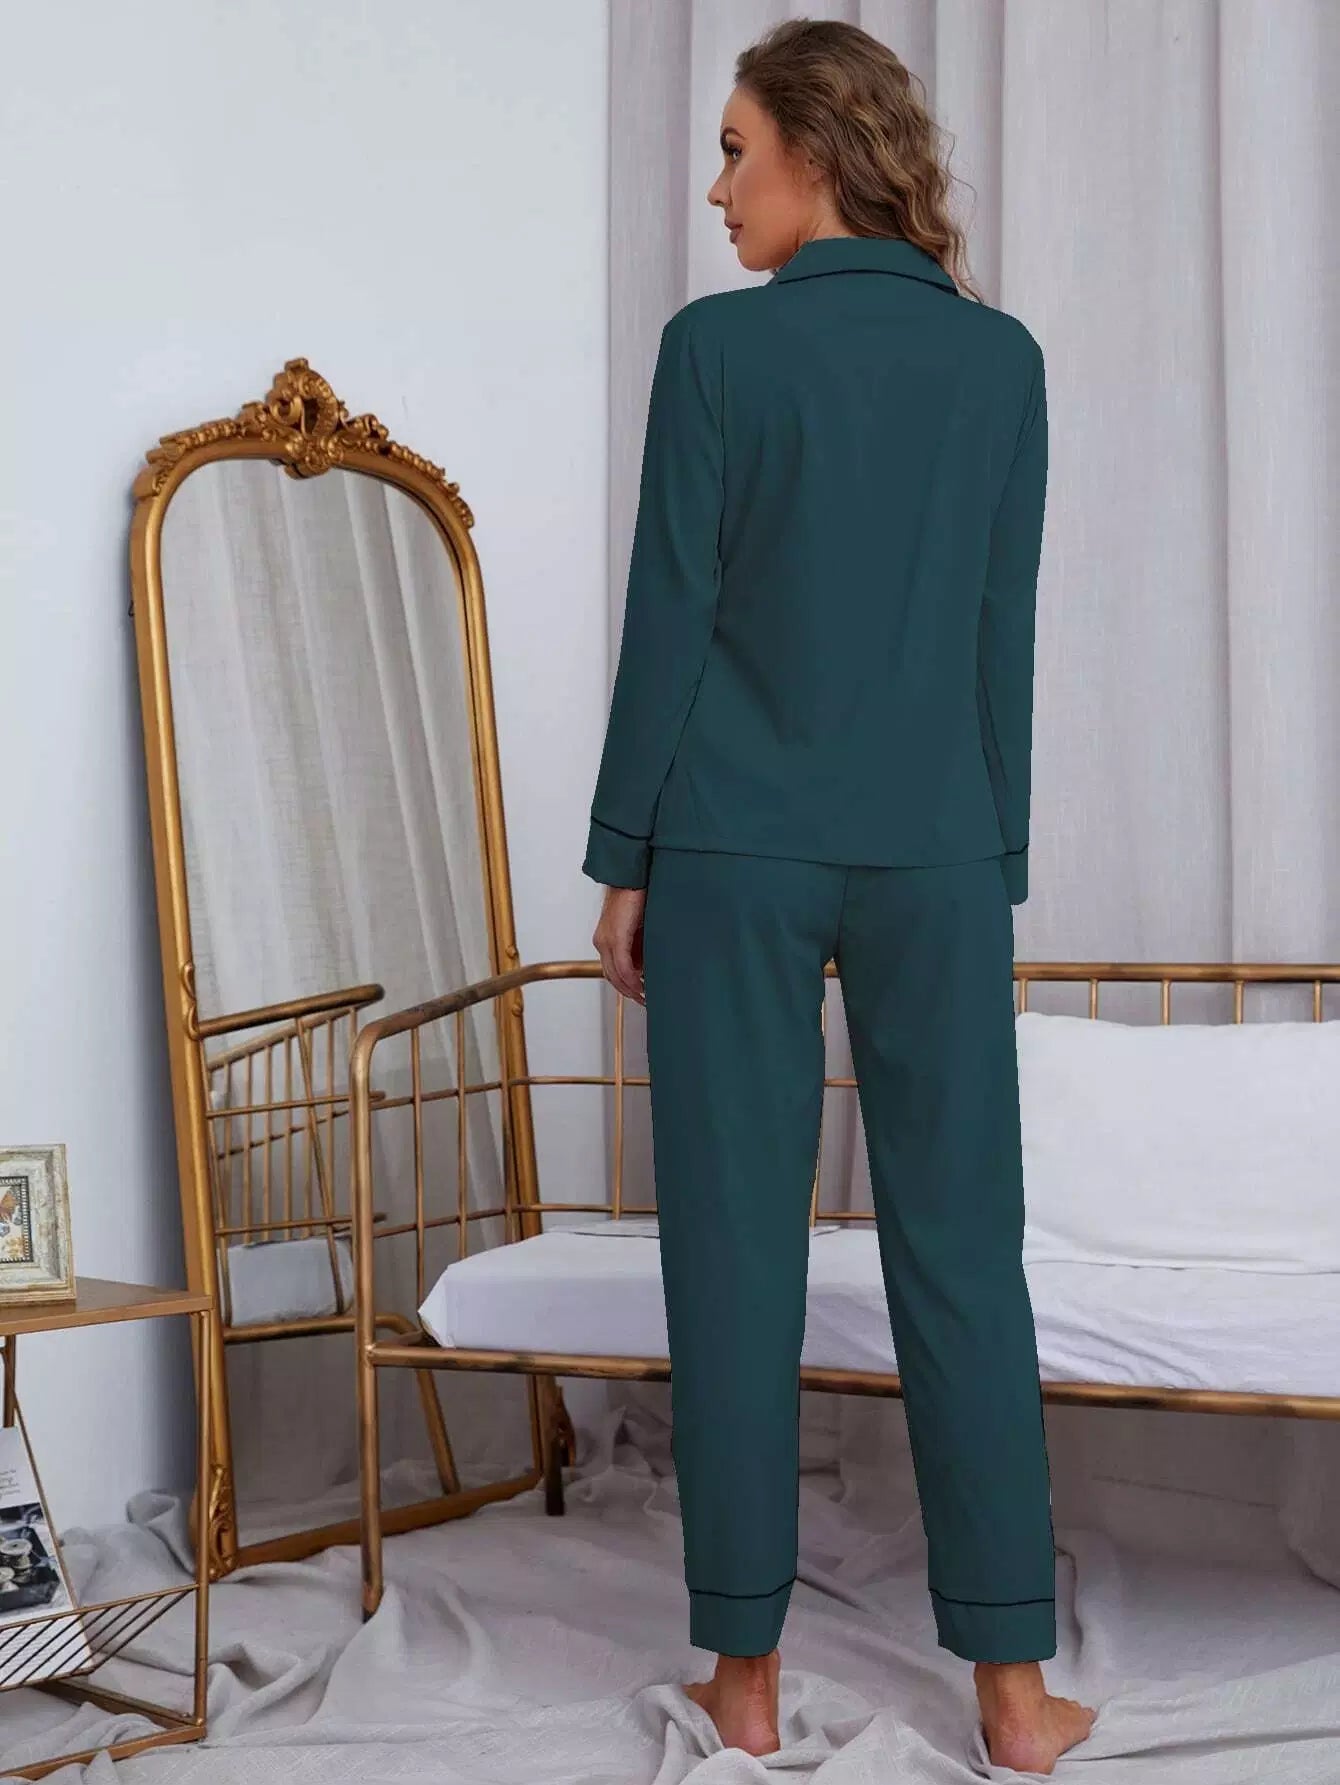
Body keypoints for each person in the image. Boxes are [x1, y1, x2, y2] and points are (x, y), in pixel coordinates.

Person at [584, 17, 1096, 1776]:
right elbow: (1000, 634)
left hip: (731, 847)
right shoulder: (1001, 362)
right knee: (964, 1252)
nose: (715, 186)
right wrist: (990, 856)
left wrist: (625, 857)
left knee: (732, 1252)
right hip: (934, 854)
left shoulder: (716, 351)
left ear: (816, 150)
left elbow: (671, 616)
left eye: (735, 148)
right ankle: (1013, 1696)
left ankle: (743, 1679)